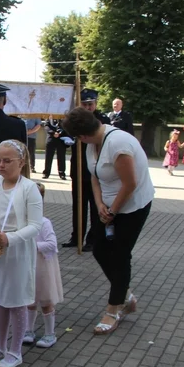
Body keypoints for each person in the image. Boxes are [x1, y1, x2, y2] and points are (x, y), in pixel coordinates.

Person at [62, 107, 154, 335]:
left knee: (121, 255)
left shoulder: (118, 144)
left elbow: (130, 183)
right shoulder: (91, 145)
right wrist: (100, 204)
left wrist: (112, 210)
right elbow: (94, 176)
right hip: (108, 205)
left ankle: (113, 310)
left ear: (82, 134)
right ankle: (125, 295)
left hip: (132, 206)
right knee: (100, 249)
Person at [0, 140, 43, 367]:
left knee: (15, 301)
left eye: (8, 161)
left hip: (16, 252)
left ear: (22, 162)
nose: (1, 165)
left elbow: (36, 225)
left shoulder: (29, 188)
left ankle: (15, 350)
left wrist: (11, 238)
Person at [61, 89, 109, 251]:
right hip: (79, 170)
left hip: (96, 171)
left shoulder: (102, 120)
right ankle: (76, 237)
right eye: (85, 104)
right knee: (78, 206)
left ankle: (92, 239)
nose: (88, 107)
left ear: (95, 104)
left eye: (90, 104)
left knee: (96, 208)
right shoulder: (75, 120)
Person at [22, 183, 63, 348]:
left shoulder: (44, 223)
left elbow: (52, 244)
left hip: (42, 265)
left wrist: (34, 247)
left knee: (45, 300)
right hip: (27, 265)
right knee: (30, 300)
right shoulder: (22, 222)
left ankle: (49, 333)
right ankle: (28, 330)